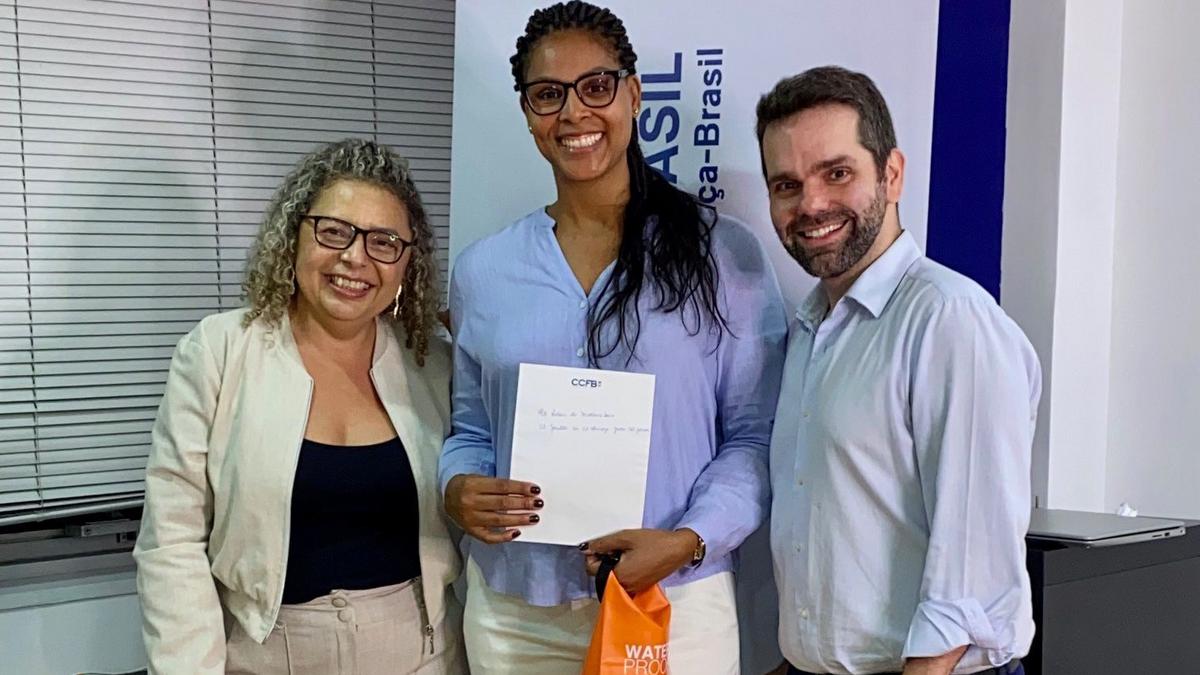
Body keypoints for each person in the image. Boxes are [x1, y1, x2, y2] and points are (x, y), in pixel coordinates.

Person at [438, 2, 788, 673]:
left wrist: (690, 539)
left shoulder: (722, 254)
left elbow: (755, 435)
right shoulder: (484, 270)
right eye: (549, 95)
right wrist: (458, 486)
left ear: (633, 94)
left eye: (596, 87)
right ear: (528, 113)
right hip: (517, 616)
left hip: (673, 607)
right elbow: (471, 430)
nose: (574, 113)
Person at [134, 139, 465, 674]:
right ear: (294, 235)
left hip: (423, 652)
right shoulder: (218, 351)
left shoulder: (432, 363)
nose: (355, 257)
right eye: (333, 231)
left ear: (409, 262)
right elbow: (171, 541)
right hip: (266, 653)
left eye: (384, 242)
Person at [757, 66, 1038, 675]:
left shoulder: (949, 320)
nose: (811, 204)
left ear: (891, 174)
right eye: (786, 185)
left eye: (837, 173)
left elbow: (971, 569)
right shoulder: (809, 328)